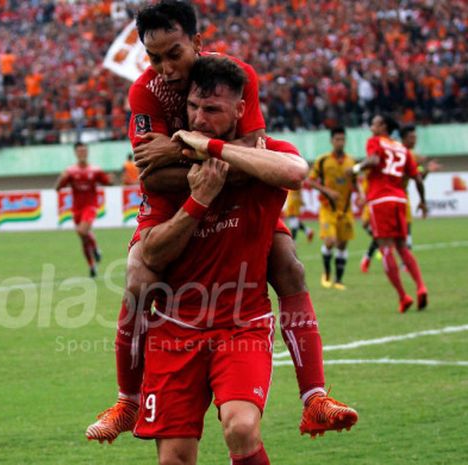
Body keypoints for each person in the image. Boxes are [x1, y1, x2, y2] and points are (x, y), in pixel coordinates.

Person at [86, 0, 356, 443]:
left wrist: (182, 147)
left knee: (288, 261)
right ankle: (127, 401)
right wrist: (208, 160)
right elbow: (152, 173)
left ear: (196, 41)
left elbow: (250, 143)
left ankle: (315, 398)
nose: (165, 66)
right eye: (153, 57)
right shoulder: (144, 92)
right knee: (137, 275)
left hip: (228, 187)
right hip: (168, 202)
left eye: (174, 53)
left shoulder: (237, 75)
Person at [135, 55, 308, 465]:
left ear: (240, 111)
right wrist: (199, 198)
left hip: (241, 323)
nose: (198, 118)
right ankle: (125, 399)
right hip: (176, 325)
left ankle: (315, 392)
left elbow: (295, 171)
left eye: (211, 110)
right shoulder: (164, 167)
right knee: (174, 458)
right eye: (193, 108)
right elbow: (152, 250)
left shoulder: (265, 153)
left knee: (242, 427)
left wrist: (212, 148)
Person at [353, 115, 428, 312]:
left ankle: (403, 296)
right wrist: (423, 202)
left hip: (381, 200)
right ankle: (421, 286)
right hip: (400, 199)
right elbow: (418, 179)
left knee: (386, 248)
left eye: (374, 123)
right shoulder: (402, 148)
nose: (371, 127)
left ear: (383, 126)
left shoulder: (375, 141)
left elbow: (374, 159)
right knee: (403, 248)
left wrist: (356, 168)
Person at [359, 125, 440, 273]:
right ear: (403, 138)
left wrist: (427, 169)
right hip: (381, 196)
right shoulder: (394, 150)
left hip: (400, 197)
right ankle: (375, 252)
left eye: (415, 137)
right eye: (411, 137)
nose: (414, 140)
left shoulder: (412, 155)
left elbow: (418, 177)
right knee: (366, 224)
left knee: (405, 232)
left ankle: (400, 262)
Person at [307, 127, 357, 290]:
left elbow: (356, 182)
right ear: (331, 141)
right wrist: (327, 191)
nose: (340, 142)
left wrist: (362, 194)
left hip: (346, 209)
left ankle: (339, 280)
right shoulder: (323, 161)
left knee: (342, 245)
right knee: (330, 241)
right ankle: (327, 273)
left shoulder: (352, 162)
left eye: (342, 139)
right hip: (328, 209)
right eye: (337, 139)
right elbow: (311, 181)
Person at [55, 142, 113, 277]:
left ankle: (96, 248)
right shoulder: (70, 172)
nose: (82, 153)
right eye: (80, 151)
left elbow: (108, 183)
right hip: (76, 210)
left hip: (90, 206)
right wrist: (61, 179)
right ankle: (92, 265)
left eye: (84, 151)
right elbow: (58, 188)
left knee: (82, 231)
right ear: (75, 153)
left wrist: (111, 180)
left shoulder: (95, 170)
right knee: (83, 238)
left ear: (87, 152)